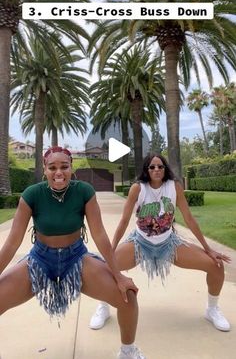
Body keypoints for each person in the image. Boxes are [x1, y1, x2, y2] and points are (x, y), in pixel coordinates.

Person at [0, 146, 146, 359]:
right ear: (44, 169)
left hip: (76, 258)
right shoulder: (32, 195)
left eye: (64, 167)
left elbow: (100, 235)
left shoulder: (84, 191)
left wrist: (119, 276)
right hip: (40, 260)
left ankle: (128, 352)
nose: (58, 172)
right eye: (52, 167)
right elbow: (12, 244)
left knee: (128, 298)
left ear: (71, 167)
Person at [89, 153, 231, 333]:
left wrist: (208, 249)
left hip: (169, 243)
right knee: (106, 268)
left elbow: (188, 218)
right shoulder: (138, 188)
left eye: (160, 166)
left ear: (165, 169)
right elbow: (124, 221)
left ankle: (212, 309)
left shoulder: (174, 187)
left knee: (216, 265)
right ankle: (103, 307)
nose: (156, 169)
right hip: (141, 243)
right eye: (152, 167)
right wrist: (111, 251)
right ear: (146, 170)